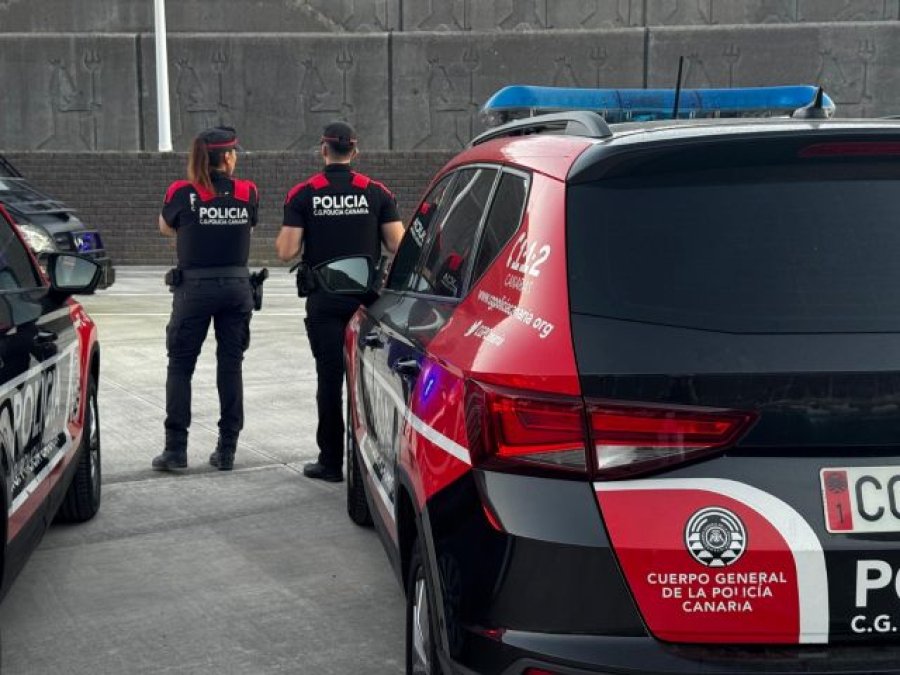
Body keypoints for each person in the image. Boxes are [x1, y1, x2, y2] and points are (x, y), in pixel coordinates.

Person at [276, 121, 404, 482]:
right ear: (355, 151)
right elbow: (397, 243)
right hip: (366, 303)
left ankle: (331, 462)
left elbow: (286, 251)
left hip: (324, 302)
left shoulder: (304, 194)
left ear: (323, 149)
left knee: (329, 380)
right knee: (367, 381)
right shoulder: (376, 193)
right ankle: (371, 462)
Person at [152, 126, 259, 472]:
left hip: (194, 290)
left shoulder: (181, 191)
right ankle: (227, 449)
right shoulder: (247, 191)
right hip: (236, 288)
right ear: (226, 157)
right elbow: (249, 226)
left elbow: (165, 227)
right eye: (234, 153)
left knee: (180, 366)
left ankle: (176, 450)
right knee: (231, 365)